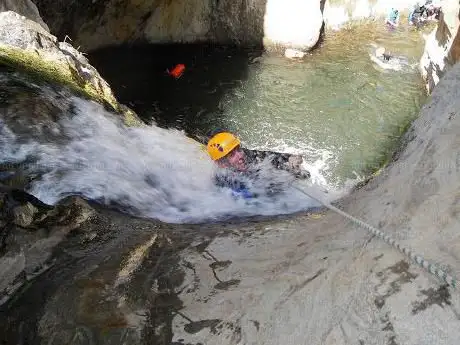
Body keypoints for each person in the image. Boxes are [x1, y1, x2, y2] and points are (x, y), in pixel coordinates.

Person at [206, 131, 310, 199]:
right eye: (232, 155)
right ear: (222, 163)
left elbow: (272, 157)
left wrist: (290, 159)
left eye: (238, 150)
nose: (240, 156)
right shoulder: (221, 180)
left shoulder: (248, 156)